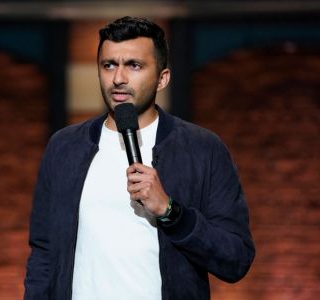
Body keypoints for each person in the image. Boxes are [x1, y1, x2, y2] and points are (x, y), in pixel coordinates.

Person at [24, 16, 255, 300]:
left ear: (162, 78)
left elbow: (236, 259)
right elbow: (43, 254)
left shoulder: (202, 149)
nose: (118, 78)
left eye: (134, 65)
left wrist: (170, 211)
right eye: (109, 65)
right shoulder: (65, 148)